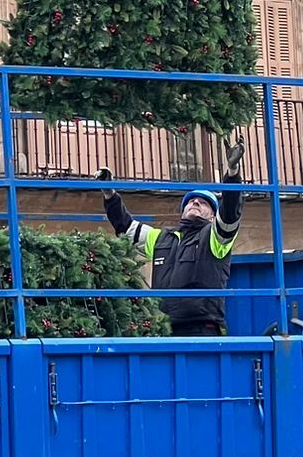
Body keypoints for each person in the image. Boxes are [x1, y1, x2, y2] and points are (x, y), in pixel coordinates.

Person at [100, 138, 247, 337]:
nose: (195, 201)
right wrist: (109, 194)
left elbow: (230, 213)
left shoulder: (214, 237)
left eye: (203, 203)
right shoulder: (161, 237)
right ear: (182, 211)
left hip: (201, 328)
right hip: (163, 328)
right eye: (191, 201)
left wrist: (232, 173)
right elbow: (125, 227)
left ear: (213, 215)